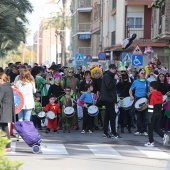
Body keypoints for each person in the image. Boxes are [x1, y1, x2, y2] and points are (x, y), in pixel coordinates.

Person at [145, 81, 169, 147]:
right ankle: (164, 136)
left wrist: (148, 116)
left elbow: (150, 106)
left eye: (150, 86)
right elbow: (161, 103)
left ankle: (151, 142)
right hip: (159, 113)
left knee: (150, 127)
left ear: (151, 88)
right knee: (156, 127)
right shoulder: (160, 94)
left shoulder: (151, 95)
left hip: (152, 113)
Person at [100, 64, 121, 138]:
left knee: (107, 116)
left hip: (110, 98)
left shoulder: (111, 76)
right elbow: (109, 86)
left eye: (115, 69)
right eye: (113, 69)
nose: (114, 70)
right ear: (109, 69)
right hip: (108, 98)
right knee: (112, 116)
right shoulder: (107, 76)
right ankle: (113, 132)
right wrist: (115, 79)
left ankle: (105, 132)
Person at [129, 68, 150, 136]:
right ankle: (139, 130)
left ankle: (144, 130)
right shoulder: (135, 82)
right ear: (139, 74)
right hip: (138, 99)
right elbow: (130, 89)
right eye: (141, 73)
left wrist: (149, 94)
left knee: (145, 116)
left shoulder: (147, 82)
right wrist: (131, 95)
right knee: (139, 115)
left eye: (144, 73)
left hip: (145, 99)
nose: (143, 74)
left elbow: (151, 91)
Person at [0, 73, 15, 152]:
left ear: (2, 79)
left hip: (3, 111)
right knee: (4, 128)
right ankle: (7, 146)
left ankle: (7, 146)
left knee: (4, 128)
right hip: (7, 110)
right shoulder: (8, 87)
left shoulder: (3, 87)